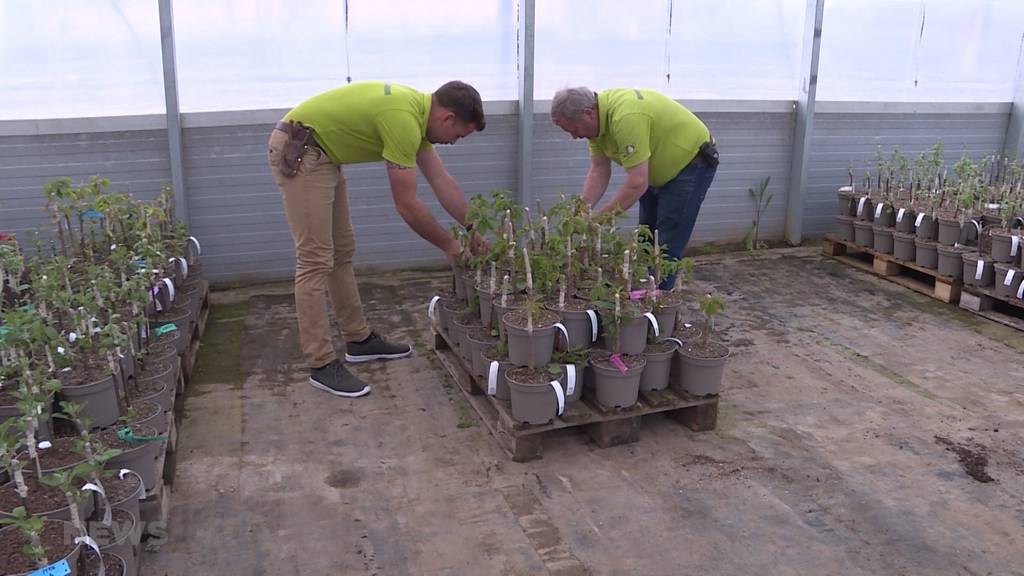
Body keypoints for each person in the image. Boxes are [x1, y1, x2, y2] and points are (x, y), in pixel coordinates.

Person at [267, 80, 485, 398]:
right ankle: (321, 364)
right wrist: (450, 246)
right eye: (458, 135)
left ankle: (358, 340)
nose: (454, 142)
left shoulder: (418, 116)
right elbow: (406, 205)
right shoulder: (403, 120)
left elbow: (441, 181)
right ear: (448, 118)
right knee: (314, 259)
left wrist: (473, 228)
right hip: (301, 151)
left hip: (322, 154)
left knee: (341, 251)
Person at [550, 87, 719, 289]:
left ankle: (657, 308)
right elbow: (599, 169)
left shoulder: (625, 117)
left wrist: (597, 221)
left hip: (691, 163)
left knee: (666, 244)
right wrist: (579, 213)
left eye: (573, 129)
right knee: (646, 239)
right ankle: (643, 293)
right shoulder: (596, 128)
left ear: (588, 113)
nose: (574, 137)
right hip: (655, 172)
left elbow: (637, 182)